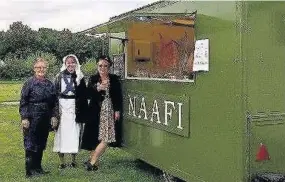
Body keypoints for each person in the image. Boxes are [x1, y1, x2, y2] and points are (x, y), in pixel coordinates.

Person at [81, 55, 123, 171]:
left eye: (105, 65)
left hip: (109, 110)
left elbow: (118, 96)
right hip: (95, 110)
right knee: (94, 136)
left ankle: (92, 161)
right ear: (97, 66)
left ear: (109, 67)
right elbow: (88, 94)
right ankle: (93, 161)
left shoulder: (114, 79)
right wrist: (97, 88)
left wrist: (117, 110)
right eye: (100, 65)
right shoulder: (93, 78)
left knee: (107, 137)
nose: (102, 68)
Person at [19, 58, 58, 178]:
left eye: (44, 67)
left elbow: (54, 102)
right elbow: (23, 101)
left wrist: (54, 116)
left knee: (41, 143)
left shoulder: (50, 84)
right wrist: (24, 118)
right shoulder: (29, 83)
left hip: (45, 117)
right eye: (38, 67)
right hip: (32, 117)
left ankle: (38, 168)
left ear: (46, 69)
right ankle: (29, 171)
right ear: (34, 69)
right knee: (30, 143)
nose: (41, 69)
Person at [52, 54, 88, 169]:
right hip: (62, 108)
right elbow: (54, 94)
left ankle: (73, 160)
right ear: (65, 63)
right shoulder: (59, 76)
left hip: (74, 108)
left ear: (76, 63)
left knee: (74, 133)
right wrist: (55, 112)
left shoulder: (80, 77)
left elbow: (83, 95)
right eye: (68, 62)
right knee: (61, 133)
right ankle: (62, 162)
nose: (71, 64)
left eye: (73, 62)